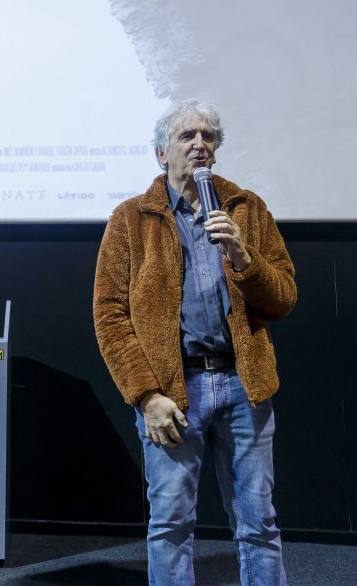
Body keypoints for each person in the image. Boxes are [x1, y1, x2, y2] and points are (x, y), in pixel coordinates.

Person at [93, 99, 297, 585]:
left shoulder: (247, 209)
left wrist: (245, 259)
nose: (200, 144)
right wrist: (146, 395)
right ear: (162, 154)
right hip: (173, 393)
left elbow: (285, 297)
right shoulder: (131, 219)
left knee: (259, 524)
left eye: (208, 136)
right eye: (187, 137)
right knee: (170, 526)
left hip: (244, 387)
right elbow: (109, 315)